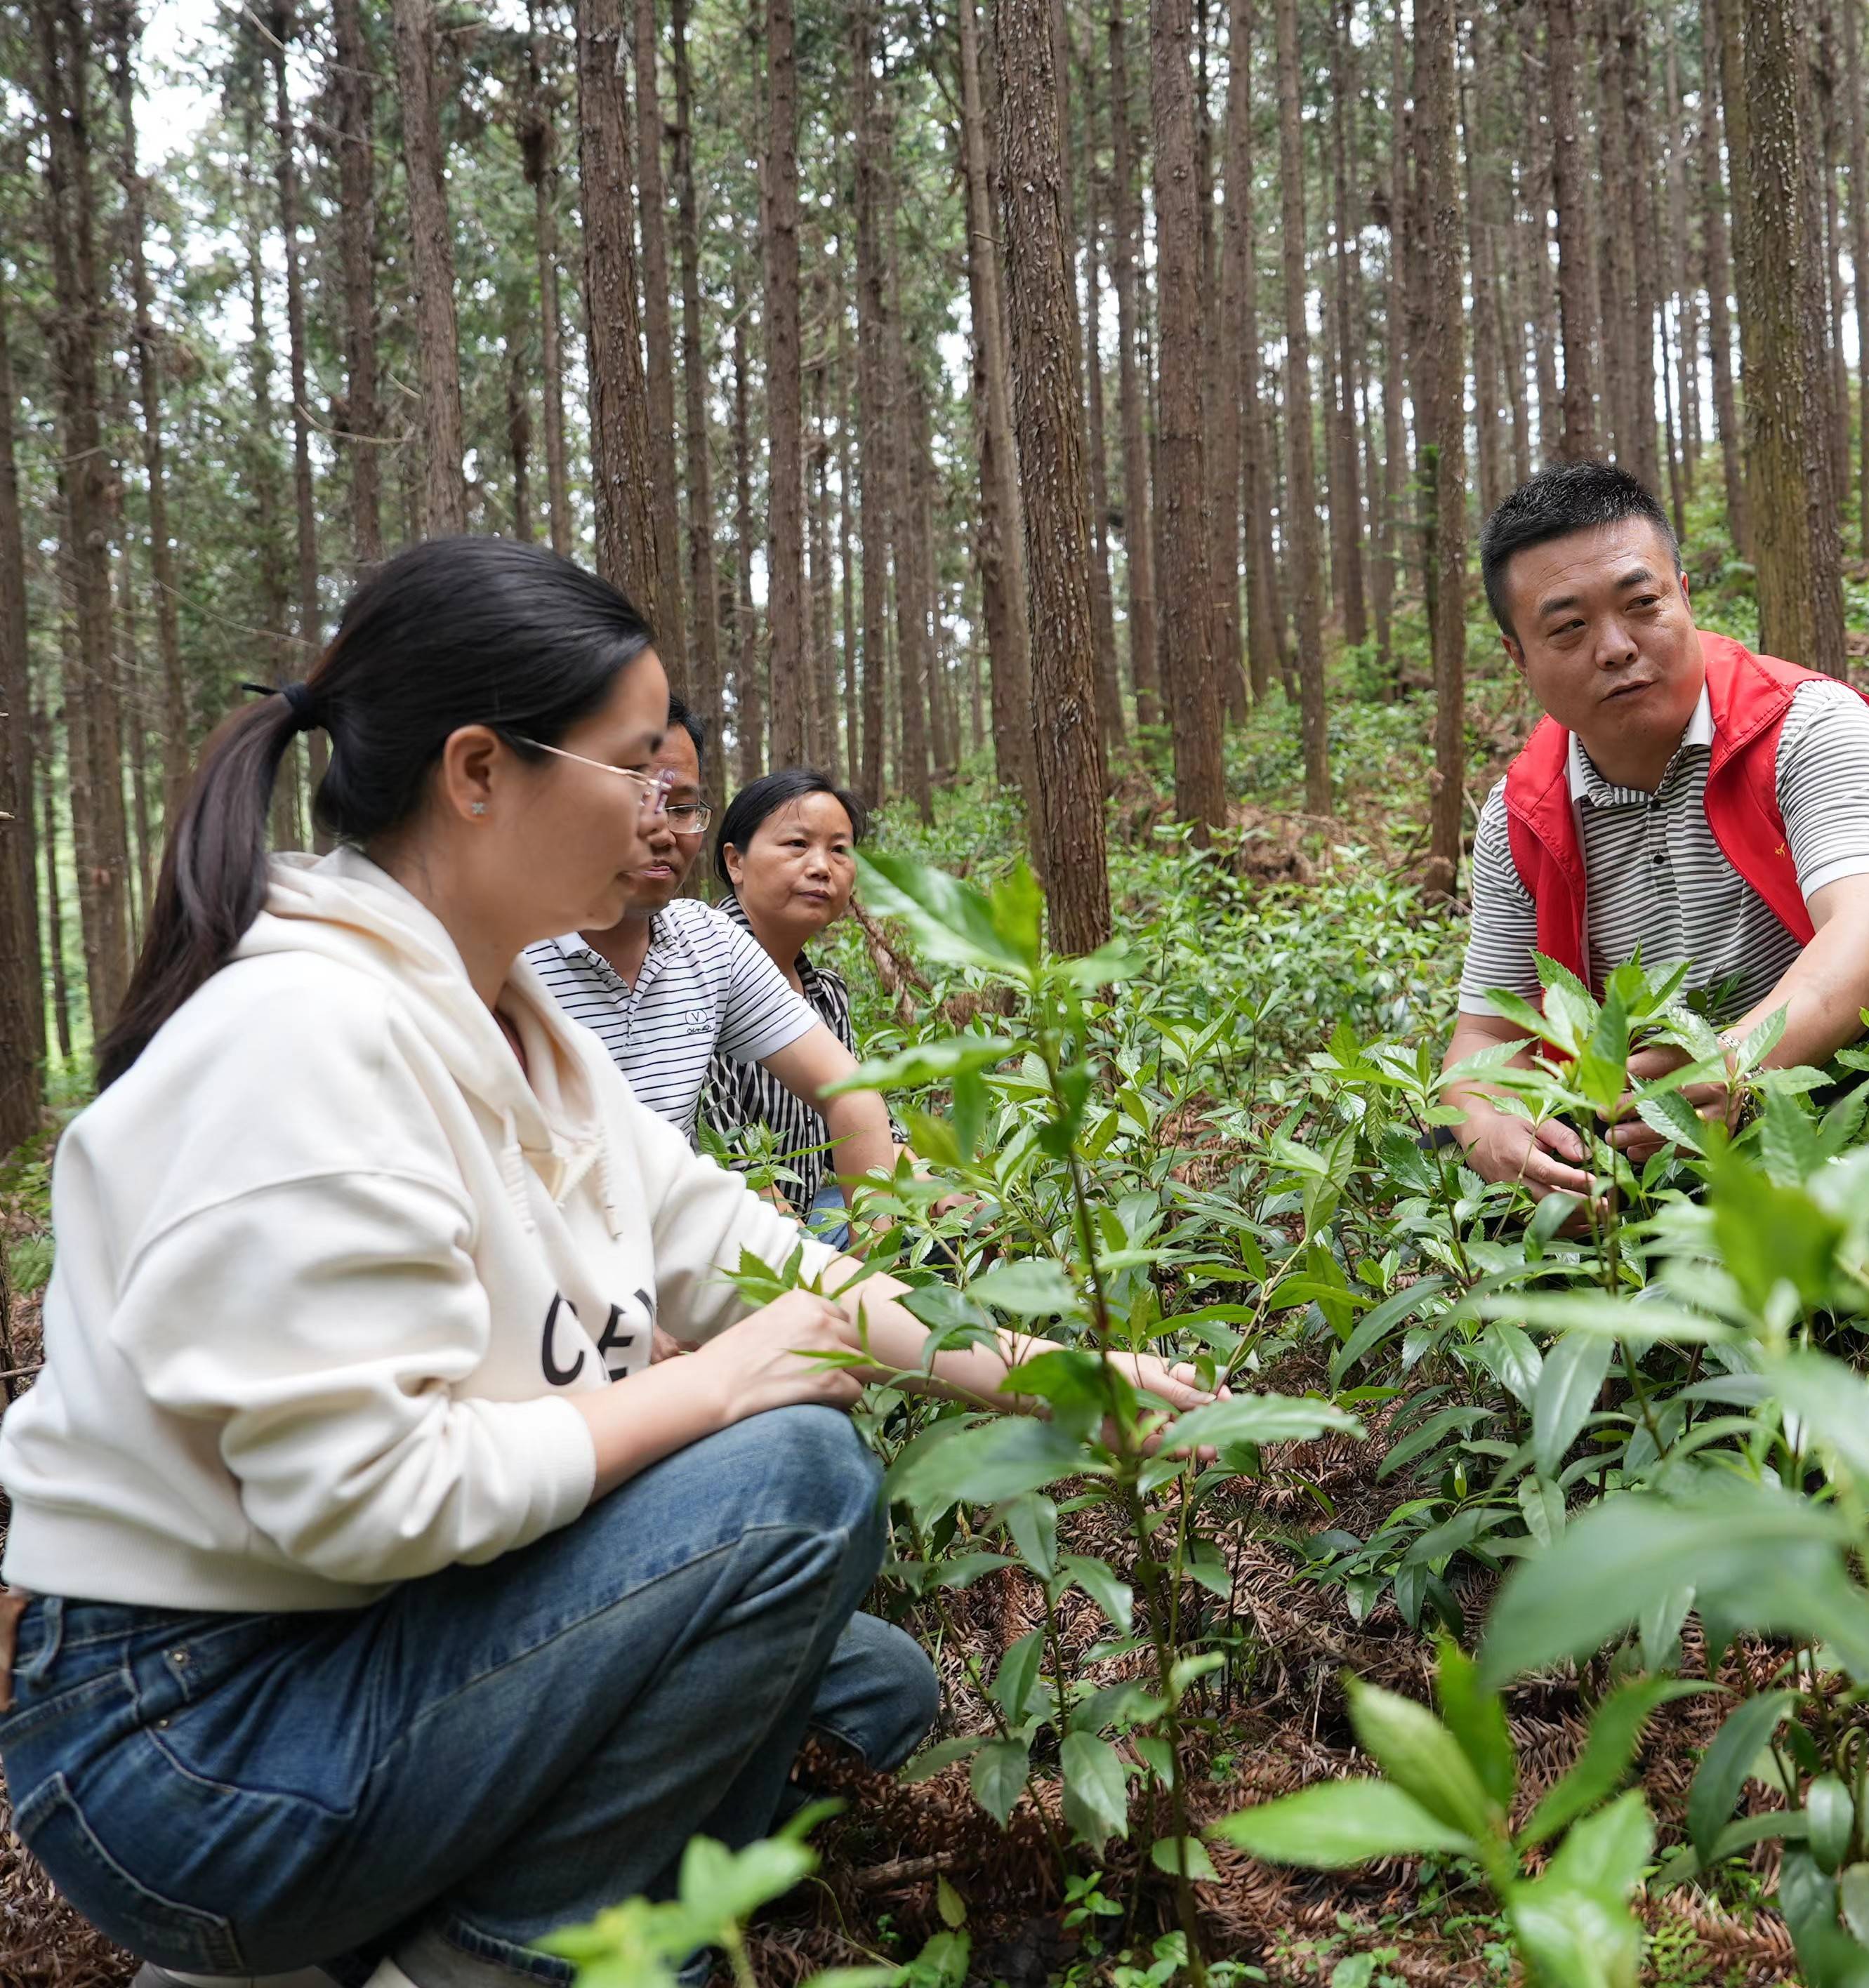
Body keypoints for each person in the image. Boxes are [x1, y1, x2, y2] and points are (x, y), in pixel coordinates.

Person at [0, 538, 1215, 1988]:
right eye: (636, 766)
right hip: (198, 1745)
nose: (665, 812)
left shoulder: (525, 1033)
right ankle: (487, 1960)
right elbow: (363, 1499)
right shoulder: (304, 1039)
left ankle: (362, 1940)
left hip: (358, 1649)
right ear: (477, 773)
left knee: (868, 1684)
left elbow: (758, 1261)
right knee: (794, 1484)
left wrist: (1063, 1383)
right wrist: (713, 1398)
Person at [1441, 460, 1869, 1194]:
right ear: (1518, 658)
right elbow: (1483, 1040)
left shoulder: (1808, 725)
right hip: (1647, 1120)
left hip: (1821, 1080)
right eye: (1568, 628)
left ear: (1683, 598)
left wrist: (1735, 1066)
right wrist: (1487, 1128)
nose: (1616, 647)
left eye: (1641, 604)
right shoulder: (1519, 815)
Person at [523, 700, 899, 1193]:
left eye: (681, 808)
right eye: (634, 797)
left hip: (693, 1242)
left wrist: (870, 1251)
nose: (660, 829)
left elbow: (853, 1095)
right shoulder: (505, 953)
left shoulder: (709, 946)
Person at [701, 769, 885, 1235]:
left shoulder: (825, 994)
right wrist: (863, 1281)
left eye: (839, 850)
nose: (822, 866)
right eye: (797, 845)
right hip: (737, 1241)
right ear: (735, 862)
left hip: (806, 1213)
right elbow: (737, 1165)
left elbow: (869, 1135)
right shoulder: (698, 979)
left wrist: (947, 1205)